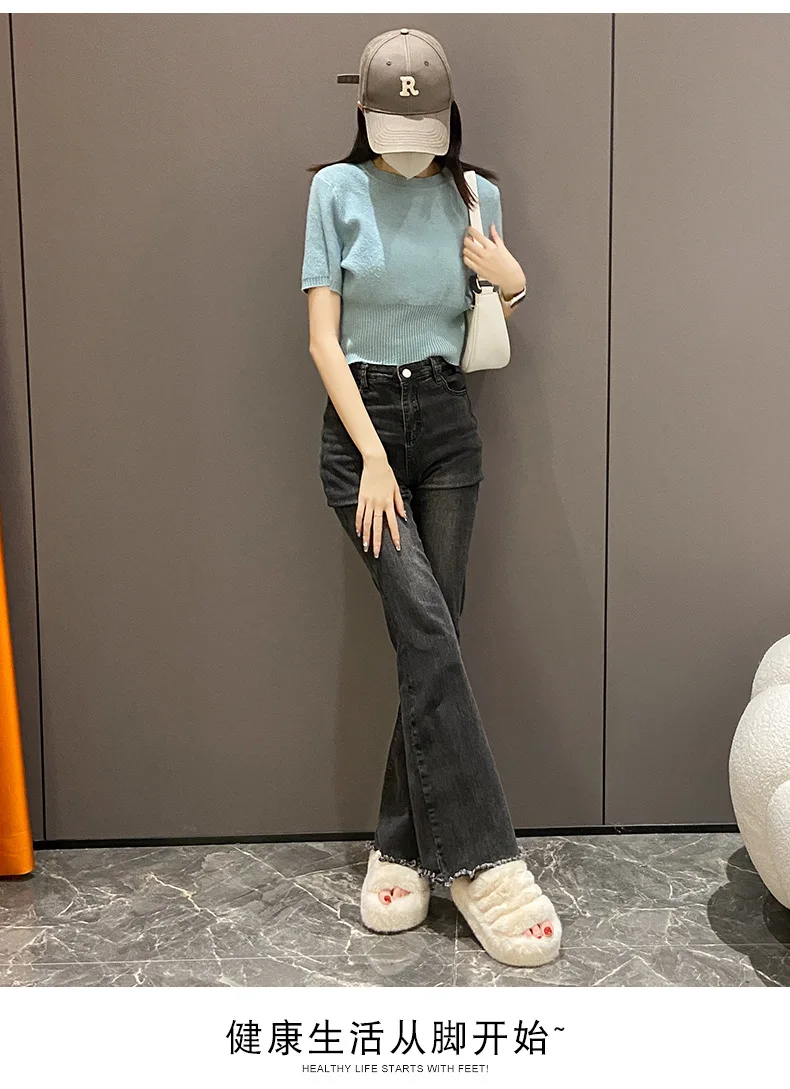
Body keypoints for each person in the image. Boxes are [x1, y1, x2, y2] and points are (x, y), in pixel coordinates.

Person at [301, 28, 561, 968]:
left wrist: (514, 281)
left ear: (449, 117)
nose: (412, 145)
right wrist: (372, 455)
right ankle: (487, 863)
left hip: (449, 424)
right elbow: (322, 340)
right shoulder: (335, 191)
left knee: (433, 638)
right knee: (426, 628)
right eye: (394, 126)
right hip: (361, 432)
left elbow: (495, 302)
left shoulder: (475, 193)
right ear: (365, 114)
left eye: (426, 126)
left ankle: (401, 847)